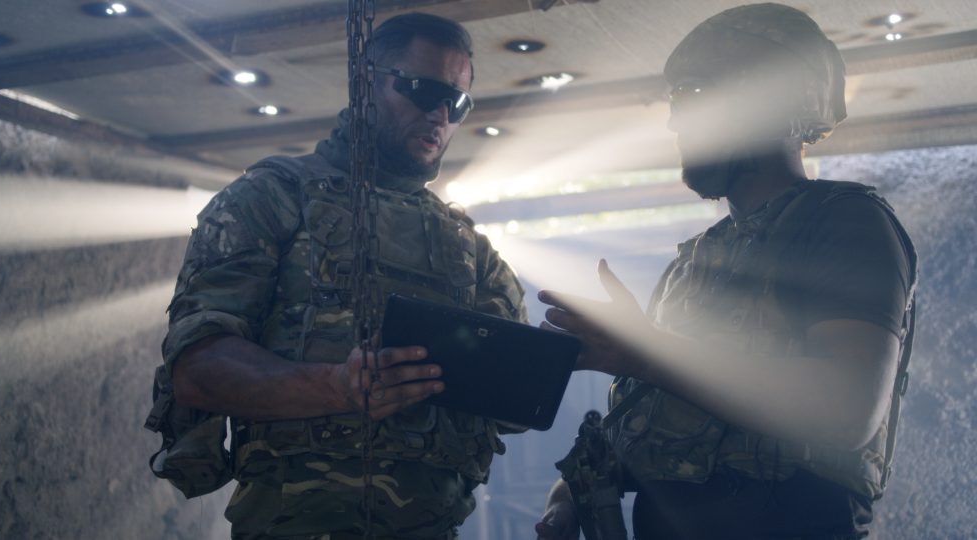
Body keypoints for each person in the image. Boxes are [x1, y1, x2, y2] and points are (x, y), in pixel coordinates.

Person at [535, 4, 917, 539]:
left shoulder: (846, 225)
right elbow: (651, 440)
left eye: (692, 94)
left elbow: (846, 411)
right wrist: (566, 501)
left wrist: (648, 352)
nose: (674, 119)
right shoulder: (695, 261)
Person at [155, 13, 527, 539]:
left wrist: (576, 353)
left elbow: (514, 406)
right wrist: (336, 387)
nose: (442, 113)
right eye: (423, 90)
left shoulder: (470, 249)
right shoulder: (273, 197)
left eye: (459, 102)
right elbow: (196, 370)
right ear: (364, 81)